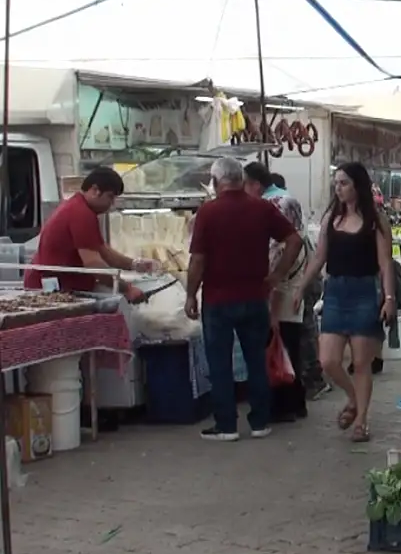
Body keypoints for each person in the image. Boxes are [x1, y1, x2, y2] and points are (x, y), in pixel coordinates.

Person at [185, 158, 304, 442]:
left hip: (218, 299)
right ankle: (260, 421)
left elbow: (198, 259)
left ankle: (226, 425)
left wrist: (191, 294)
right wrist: (276, 275)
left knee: (220, 362)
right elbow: (295, 240)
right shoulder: (261, 208)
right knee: (256, 360)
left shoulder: (208, 212)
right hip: (255, 297)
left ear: (215, 182)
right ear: (241, 179)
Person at [291, 163, 393, 442]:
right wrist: (300, 288)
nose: (338, 188)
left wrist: (389, 297)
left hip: (364, 291)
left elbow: (385, 263)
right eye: (336, 183)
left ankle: (361, 420)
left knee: (361, 362)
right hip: (335, 292)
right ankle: (352, 397)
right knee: (329, 361)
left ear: (357, 185)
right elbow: (319, 257)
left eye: (344, 183)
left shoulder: (375, 220)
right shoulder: (331, 219)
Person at [25, 167, 154, 301]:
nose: (112, 204)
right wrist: (127, 289)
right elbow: (94, 264)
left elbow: (104, 251)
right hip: (51, 286)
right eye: (110, 197)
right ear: (95, 190)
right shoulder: (81, 214)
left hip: (63, 282)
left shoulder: (79, 207)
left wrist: (134, 264)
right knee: (118, 304)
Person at [243, 162, 308, 423]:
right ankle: (295, 402)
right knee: (288, 342)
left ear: (255, 184)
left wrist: (274, 281)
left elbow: (280, 248)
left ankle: (284, 405)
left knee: (278, 344)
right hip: (292, 280)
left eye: (245, 185)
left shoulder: (272, 204)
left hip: (281, 282)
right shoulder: (286, 199)